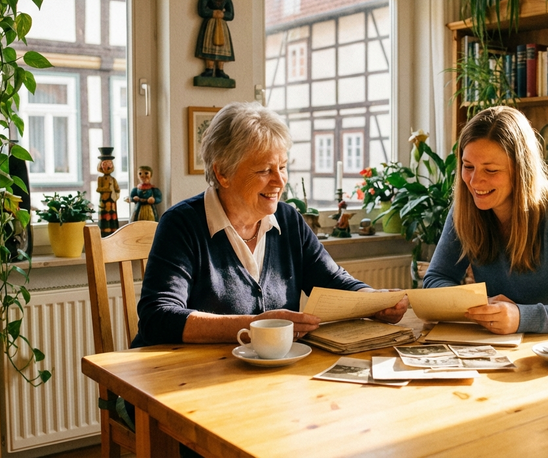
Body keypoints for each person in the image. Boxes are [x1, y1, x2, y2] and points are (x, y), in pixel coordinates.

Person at [131, 101, 408, 349]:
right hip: (184, 382)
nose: (279, 181)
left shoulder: (288, 221)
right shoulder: (181, 224)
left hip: (261, 383)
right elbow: (158, 317)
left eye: (283, 167)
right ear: (222, 172)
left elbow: (332, 281)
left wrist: (374, 301)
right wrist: (254, 326)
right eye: (264, 170)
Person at [423, 106, 548, 335]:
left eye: (491, 170)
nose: (475, 182)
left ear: (521, 170)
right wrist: (481, 306)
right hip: (515, 348)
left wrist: (522, 316)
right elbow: (436, 279)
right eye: (468, 167)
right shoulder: (466, 208)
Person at [195, 0, 234, 79]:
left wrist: (223, 15)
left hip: (221, 25)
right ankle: (209, 68)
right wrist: (212, 13)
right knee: (209, 43)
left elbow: (231, 14)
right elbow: (202, 10)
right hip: (211, 24)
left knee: (222, 46)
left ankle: (220, 69)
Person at [96, 147, 120, 237]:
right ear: (101, 166)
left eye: (109, 163)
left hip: (112, 201)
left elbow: (117, 189)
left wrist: (115, 195)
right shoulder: (100, 179)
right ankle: (104, 234)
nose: (107, 166)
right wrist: (106, 188)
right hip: (104, 201)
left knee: (112, 218)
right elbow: (98, 189)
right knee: (104, 219)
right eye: (105, 164)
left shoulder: (113, 179)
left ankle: (113, 233)